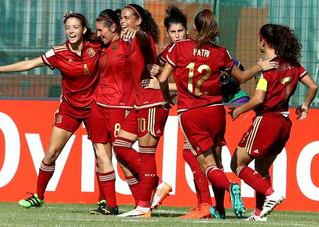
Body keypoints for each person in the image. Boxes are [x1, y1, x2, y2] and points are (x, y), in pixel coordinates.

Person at [158, 9, 277, 218]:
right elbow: (240, 77)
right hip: (215, 111)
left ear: (194, 28)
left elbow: (162, 79)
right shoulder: (221, 52)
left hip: (191, 113)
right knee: (219, 162)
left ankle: (232, 187)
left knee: (209, 166)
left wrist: (167, 98)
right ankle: (220, 209)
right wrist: (260, 66)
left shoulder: (179, 48)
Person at [0, 12, 101, 209]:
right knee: (51, 153)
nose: (71, 31)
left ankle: (104, 199)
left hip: (95, 107)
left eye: (75, 27)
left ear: (84, 30)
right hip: (69, 108)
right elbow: (29, 64)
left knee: (100, 154)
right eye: (68, 27)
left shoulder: (96, 46)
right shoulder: (58, 52)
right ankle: (38, 196)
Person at [229, 23, 318, 222]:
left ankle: (271, 194)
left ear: (264, 41)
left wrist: (239, 110)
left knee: (237, 164)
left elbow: (259, 99)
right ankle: (260, 214)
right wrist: (305, 105)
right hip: (284, 123)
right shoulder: (293, 65)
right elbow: (313, 86)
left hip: (266, 120)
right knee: (261, 169)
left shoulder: (269, 67)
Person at [143, 6, 222, 219]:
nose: (177, 36)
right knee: (202, 158)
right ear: (168, 33)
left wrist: (161, 86)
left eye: (180, 32)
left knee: (196, 156)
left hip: (196, 111)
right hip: (192, 110)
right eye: (173, 32)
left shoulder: (189, 48)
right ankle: (205, 206)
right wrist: (155, 71)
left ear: (187, 31)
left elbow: (183, 85)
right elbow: (160, 72)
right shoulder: (170, 51)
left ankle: (207, 205)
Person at [114, 4, 172, 218]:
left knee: (147, 153)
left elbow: (146, 41)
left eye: (128, 17)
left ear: (138, 21)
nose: (123, 20)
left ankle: (144, 207)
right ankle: (156, 184)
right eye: (121, 17)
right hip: (139, 103)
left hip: (152, 102)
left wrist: (137, 32)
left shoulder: (142, 37)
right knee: (120, 146)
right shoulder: (126, 42)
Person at [88, 9, 140, 215]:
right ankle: (111, 205)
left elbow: (145, 59)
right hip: (98, 106)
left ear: (113, 28)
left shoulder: (128, 45)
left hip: (120, 106)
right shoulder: (101, 46)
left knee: (122, 158)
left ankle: (142, 202)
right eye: (97, 30)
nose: (99, 34)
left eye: (102, 30)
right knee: (101, 154)